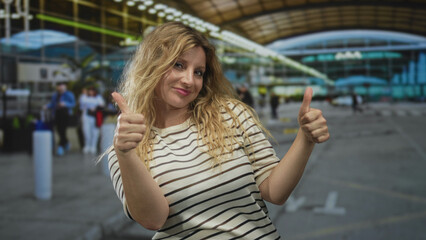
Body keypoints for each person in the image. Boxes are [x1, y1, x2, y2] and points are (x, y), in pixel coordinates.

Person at [107, 22, 329, 239]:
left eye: (199, 72)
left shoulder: (232, 114)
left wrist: (305, 139)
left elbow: (275, 192)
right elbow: (153, 219)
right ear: (152, 64)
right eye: (179, 65)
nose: (189, 80)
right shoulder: (125, 146)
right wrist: (126, 154)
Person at [45, 82, 76, 156]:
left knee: (63, 129)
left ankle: (60, 146)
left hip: (65, 114)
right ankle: (66, 142)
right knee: (59, 130)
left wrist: (65, 104)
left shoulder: (69, 94)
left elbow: (73, 104)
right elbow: (53, 104)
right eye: (59, 86)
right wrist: (47, 106)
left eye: (62, 86)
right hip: (57, 114)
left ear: (65, 87)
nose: (60, 87)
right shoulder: (55, 95)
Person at [80, 86, 105, 154]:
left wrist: (95, 108)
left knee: (95, 132)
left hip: (95, 117)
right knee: (86, 132)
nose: (91, 92)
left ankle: (93, 146)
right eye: (90, 90)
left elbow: (102, 105)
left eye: (92, 90)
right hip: (86, 116)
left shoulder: (98, 97)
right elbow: (82, 103)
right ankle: (87, 145)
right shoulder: (84, 97)